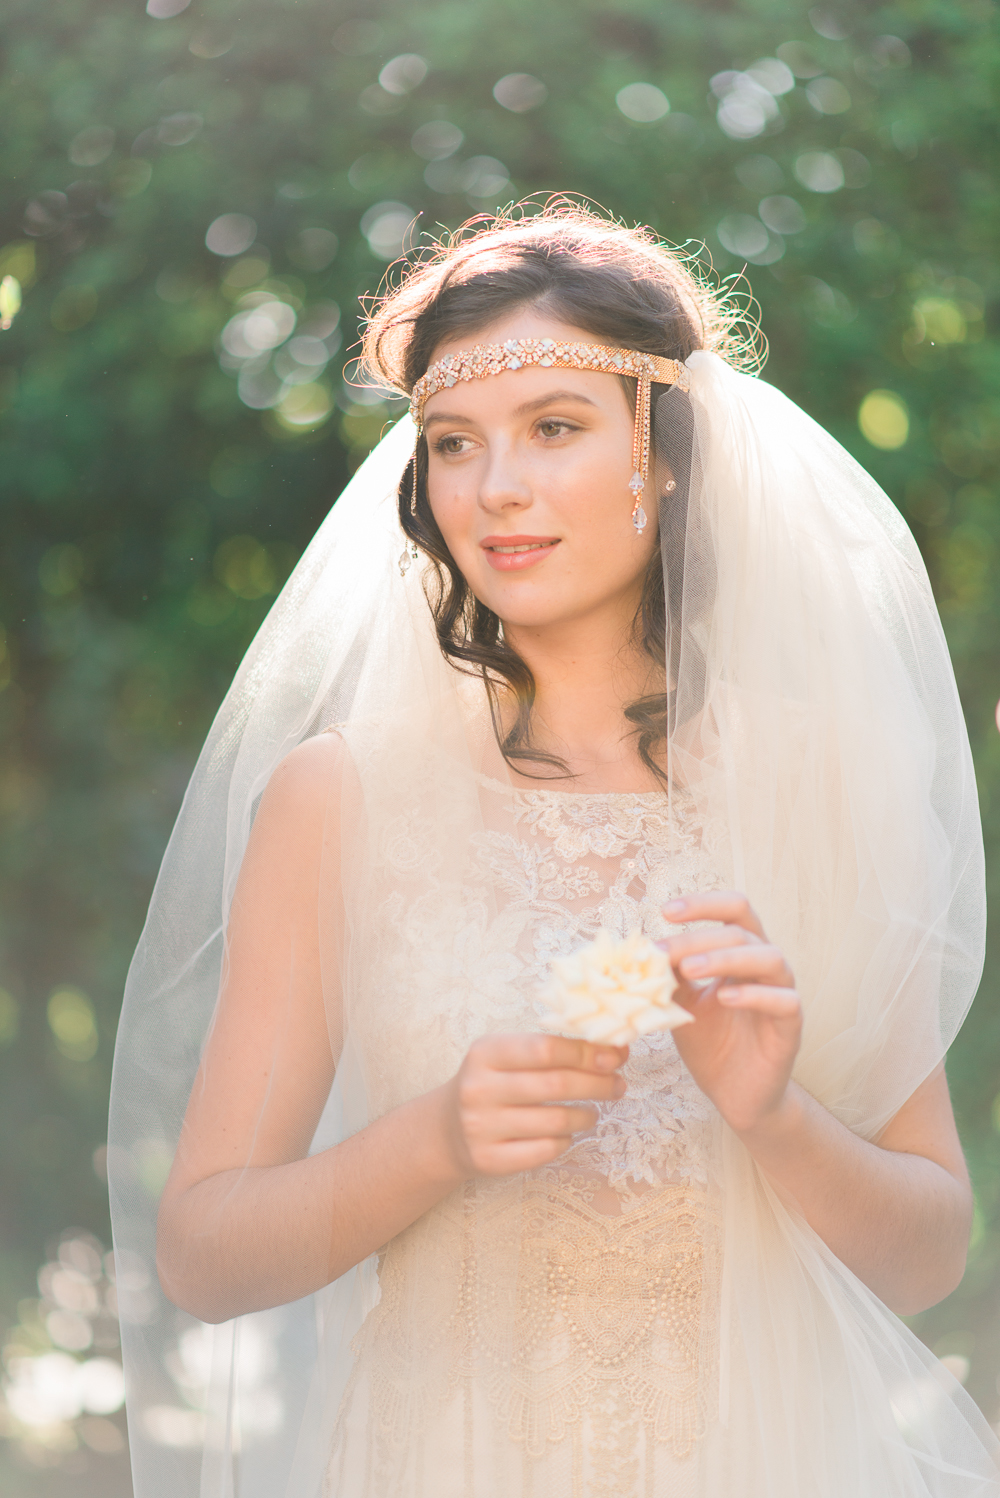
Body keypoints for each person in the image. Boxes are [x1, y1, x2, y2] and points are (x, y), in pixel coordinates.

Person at [109, 206, 999, 1497]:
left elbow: (927, 1256)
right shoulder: (341, 796)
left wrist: (771, 1114)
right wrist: (437, 1139)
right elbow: (203, 1251)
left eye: (557, 427)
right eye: (454, 443)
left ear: (671, 451)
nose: (495, 488)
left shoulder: (816, 779)